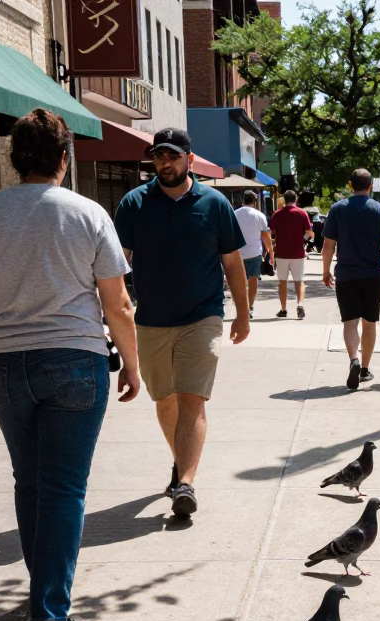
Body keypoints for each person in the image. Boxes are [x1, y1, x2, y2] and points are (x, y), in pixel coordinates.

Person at [0, 108, 140, 621]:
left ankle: (43, 591)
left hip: (5, 364)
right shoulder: (88, 214)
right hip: (75, 360)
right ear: (64, 156)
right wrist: (133, 364)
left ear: (14, 158)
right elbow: (116, 303)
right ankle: (52, 614)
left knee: (30, 482)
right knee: (63, 488)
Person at [113, 127, 251, 518]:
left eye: (173, 155)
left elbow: (233, 263)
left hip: (202, 316)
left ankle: (186, 483)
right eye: (159, 155)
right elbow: (117, 264)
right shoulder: (133, 204)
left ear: (189, 160)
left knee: (192, 396)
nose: (165, 162)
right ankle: (180, 462)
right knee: (165, 398)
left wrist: (242, 313)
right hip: (152, 319)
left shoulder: (214, 204)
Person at [321, 169, 380, 390]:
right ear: (370, 186)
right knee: (370, 322)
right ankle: (365, 368)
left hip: (346, 275)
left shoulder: (337, 209)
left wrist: (326, 271)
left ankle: (353, 358)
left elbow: (328, 245)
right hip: (373, 275)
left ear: (350, 185)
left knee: (350, 322)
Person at [269, 189, 313, 320]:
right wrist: (304, 239)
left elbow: (272, 231)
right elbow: (309, 233)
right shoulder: (302, 213)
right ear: (296, 199)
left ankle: (283, 309)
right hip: (298, 253)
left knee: (282, 282)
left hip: (282, 253)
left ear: (284, 199)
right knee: (299, 281)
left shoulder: (277, 214)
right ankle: (300, 304)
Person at [234, 190, 273, 319]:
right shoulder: (259, 215)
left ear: (242, 200)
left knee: (239, 283)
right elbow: (265, 237)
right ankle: (250, 307)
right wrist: (271, 254)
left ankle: (241, 308)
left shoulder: (234, 214)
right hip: (255, 253)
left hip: (237, 254)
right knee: (253, 282)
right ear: (254, 202)